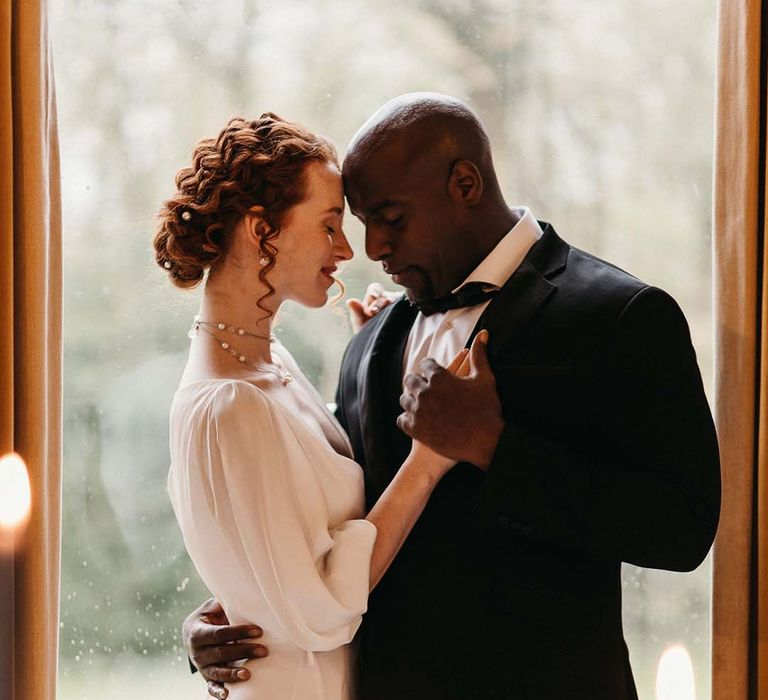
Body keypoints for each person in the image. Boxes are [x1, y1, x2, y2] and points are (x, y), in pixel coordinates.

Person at [183, 94, 721, 699]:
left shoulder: (620, 315)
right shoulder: (368, 346)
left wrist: (494, 447)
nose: (373, 247)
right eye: (357, 223)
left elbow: (684, 531)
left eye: (391, 217)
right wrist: (242, 613)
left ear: (464, 184)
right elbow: (327, 527)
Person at [156, 113, 490, 700]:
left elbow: (290, 505)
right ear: (264, 230)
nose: (345, 249)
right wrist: (429, 460)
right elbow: (323, 612)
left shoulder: (269, 364)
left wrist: (371, 368)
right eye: (331, 225)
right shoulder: (231, 401)